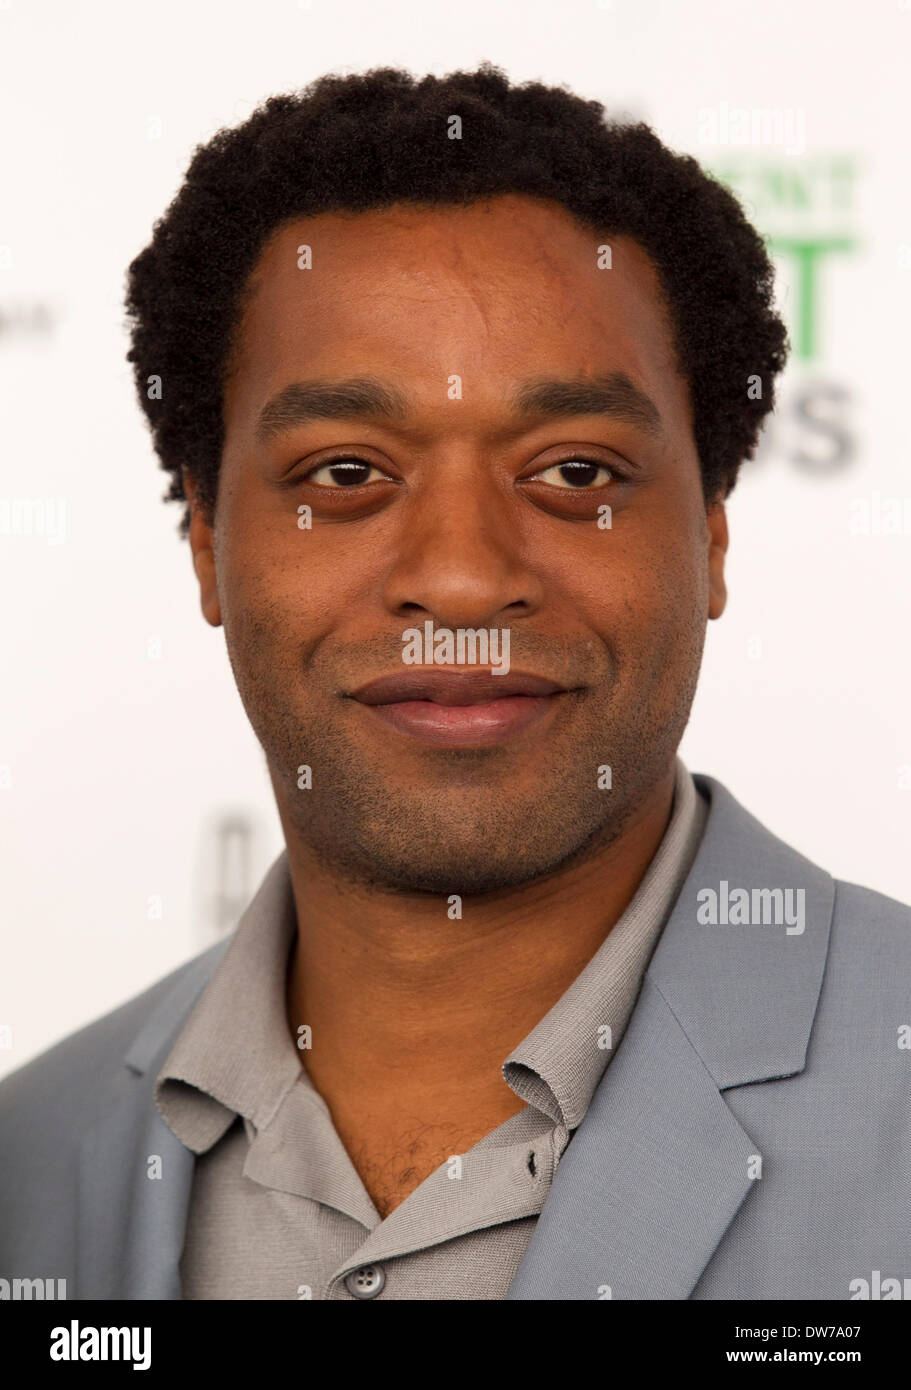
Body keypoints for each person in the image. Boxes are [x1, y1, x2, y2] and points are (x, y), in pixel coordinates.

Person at [2, 63, 908, 1302]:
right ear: (208, 544)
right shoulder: (31, 1160)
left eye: (577, 471)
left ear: (711, 534)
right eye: (345, 474)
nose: (464, 579)